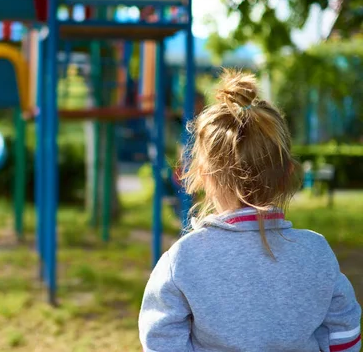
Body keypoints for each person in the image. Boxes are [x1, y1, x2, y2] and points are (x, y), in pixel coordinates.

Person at [139, 70, 361, 352]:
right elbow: (344, 330)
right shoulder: (317, 252)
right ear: (288, 173)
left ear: (202, 175)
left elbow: (161, 341)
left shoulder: (182, 259)